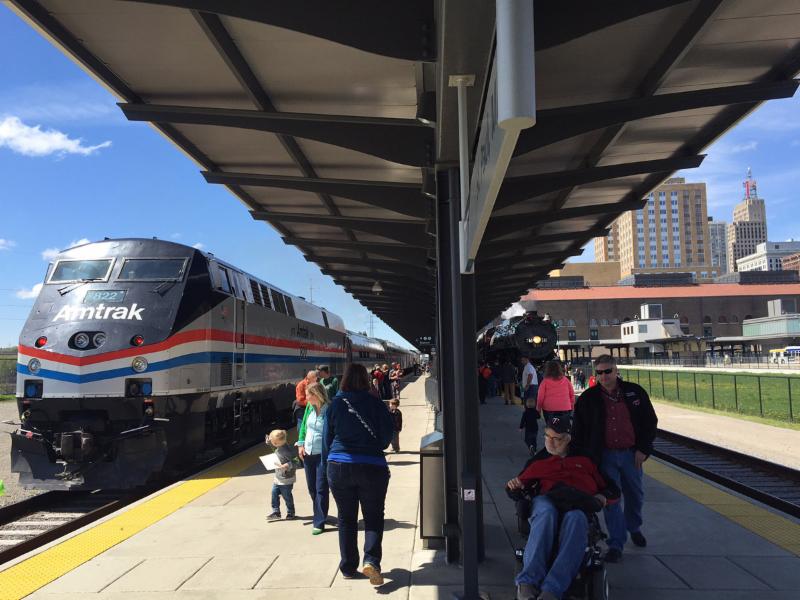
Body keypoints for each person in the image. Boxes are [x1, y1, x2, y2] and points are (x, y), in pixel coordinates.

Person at [508, 416, 619, 600]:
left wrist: (602, 497)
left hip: (578, 502)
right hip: (547, 500)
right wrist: (515, 488)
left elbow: (612, 489)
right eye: (547, 436)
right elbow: (518, 486)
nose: (549, 442)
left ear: (568, 438)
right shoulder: (539, 461)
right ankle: (527, 584)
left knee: (576, 519)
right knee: (546, 513)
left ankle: (551, 590)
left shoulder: (586, 459)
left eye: (556, 438)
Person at [572, 355, 658, 563]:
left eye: (607, 371)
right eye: (599, 372)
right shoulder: (588, 398)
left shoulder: (634, 392)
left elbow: (650, 421)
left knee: (635, 494)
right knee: (611, 500)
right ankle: (616, 543)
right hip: (605, 456)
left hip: (631, 454)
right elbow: (579, 430)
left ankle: (634, 527)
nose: (604, 376)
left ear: (616, 370)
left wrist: (643, 449)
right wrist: (584, 458)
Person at [324, 363, 395, 585]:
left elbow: (327, 441)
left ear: (343, 379)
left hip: (338, 466)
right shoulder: (376, 404)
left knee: (346, 518)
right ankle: (371, 561)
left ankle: (347, 566)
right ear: (366, 379)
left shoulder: (335, 405)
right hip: (372, 466)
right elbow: (385, 440)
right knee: (373, 517)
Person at [296, 382, 331, 534]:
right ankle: (320, 511)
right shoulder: (309, 408)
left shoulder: (329, 409)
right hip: (308, 453)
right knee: (312, 488)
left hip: (323, 455)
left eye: (308, 394)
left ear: (316, 395)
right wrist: (301, 444)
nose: (306, 397)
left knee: (321, 488)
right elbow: (304, 426)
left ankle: (319, 521)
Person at [266, 429, 300, 521]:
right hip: (278, 478)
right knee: (274, 494)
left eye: (272, 442)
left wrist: (287, 465)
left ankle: (290, 513)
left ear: (277, 443)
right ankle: (276, 512)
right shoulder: (279, 447)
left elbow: (296, 461)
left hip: (286, 479)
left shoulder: (287, 451)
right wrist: (269, 443)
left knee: (287, 496)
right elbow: (276, 450)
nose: (271, 443)